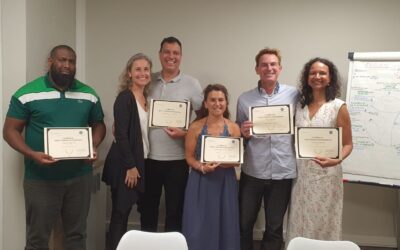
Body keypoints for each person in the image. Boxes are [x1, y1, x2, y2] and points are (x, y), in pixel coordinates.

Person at [2, 45, 106, 250]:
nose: (67, 65)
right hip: (41, 179)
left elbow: (99, 124)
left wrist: (92, 145)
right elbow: (10, 131)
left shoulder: (88, 94)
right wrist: (31, 154)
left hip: (79, 177)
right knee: (37, 239)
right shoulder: (27, 93)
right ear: (50, 62)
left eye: (72, 61)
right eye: (62, 60)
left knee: (76, 236)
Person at [236, 48, 299, 250]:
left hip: (282, 172)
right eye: (264, 64)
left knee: (274, 227)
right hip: (253, 172)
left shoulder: (295, 95)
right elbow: (238, 135)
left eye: (273, 64)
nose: (269, 68)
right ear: (257, 69)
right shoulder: (244, 99)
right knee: (244, 224)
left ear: (280, 68)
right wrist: (243, 133)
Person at [139, 36, 203, 232]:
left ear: (181, 57)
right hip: (148, 157)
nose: (171, 56)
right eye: (167, 52)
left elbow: (203, 120)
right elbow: (136, 109)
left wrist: (185, 132)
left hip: (178, 159)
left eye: (175, 53)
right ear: (160, 55)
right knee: (147, 209)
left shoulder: (192, 84)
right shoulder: (147, 80)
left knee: (175, 211)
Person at [286, 58, 353, 242]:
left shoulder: (338, 107)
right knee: (298, 223)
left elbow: (348, 144)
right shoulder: (299, 106)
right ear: (307, 78)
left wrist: (337, 159)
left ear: (330, 78)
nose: (317, 76)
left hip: (327, 177)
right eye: (313, 73)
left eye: (322, 73)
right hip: (301, 178)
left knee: (324, 224)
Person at [102, 53, 152, 250]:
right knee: (120, 214)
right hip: (125, 164)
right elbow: (121, 135)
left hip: (141, 162)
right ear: (129, 73)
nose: (142, 73)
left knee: (137, 211)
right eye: (137, 69)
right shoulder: (125, 98)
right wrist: (130, 166)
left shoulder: (148, 99)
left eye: (146, 69)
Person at [182, 84, 241, 250]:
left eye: (221, 100)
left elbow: (237, 160)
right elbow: (189, 157)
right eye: (212, 100)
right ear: (206, 104)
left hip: (225, 182)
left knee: (225, 223)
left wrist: (223, 162)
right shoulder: (195, 127)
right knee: (198, 225)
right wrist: (202, 167)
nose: (217, 104)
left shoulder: (233, 127)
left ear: (226, 103)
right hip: (201, 180)